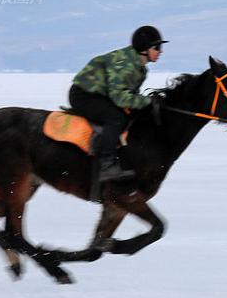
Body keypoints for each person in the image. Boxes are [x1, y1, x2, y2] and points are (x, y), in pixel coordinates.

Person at [69, 25, 167, 181]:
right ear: (144, 49)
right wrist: (147, 101)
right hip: (83, 95)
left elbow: (127, 95)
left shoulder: (139, 68)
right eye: (157, 47)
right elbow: (120, 98)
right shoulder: (124, 65)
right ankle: (106, 164)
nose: (160, 51)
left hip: (101, 94)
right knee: (115, 118)